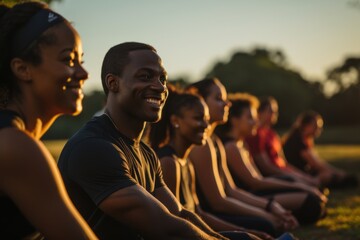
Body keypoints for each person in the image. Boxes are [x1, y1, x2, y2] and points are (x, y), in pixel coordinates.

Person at [58, 42, 227, 240]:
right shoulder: (93, 147)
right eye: (145, 76)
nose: (160, 87)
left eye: (162, 78)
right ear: (113, 83)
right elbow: (166, 228)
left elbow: (179, 214)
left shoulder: (145, 152)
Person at [0, 2, 97, 239]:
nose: (84, 74)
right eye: (68, 60)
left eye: (80, 60)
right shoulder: (15, 145)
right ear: (23, 69)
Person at [149, 84, 271, 240]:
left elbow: (198, 213)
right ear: (175, 121)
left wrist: (240, 231)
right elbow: (175, 223)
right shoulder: (168, 162)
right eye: (198, 119)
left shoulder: (186, 162)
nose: (206, 125)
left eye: (206, 119)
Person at [187, 78, 298, 237]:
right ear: (200, 102)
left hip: (224, 208)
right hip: (213, 216)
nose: (227, 104)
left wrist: (270, 207)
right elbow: (217, 202)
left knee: (272, 222)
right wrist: (266, 213)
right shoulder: (201, 145)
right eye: (219, 99)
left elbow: (231, 190)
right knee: (269, 224)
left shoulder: (215, 141)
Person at [215, 93, 327, 225]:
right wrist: (299, 186)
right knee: (312, 203)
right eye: (250, 117)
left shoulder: (241, 144)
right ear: (234, 120)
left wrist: (300, 184)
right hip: (251, 198)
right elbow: (255, 183)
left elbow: (261, 177)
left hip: (258, 194)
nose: (256, 122)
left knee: (313, 200)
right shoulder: (230, 147)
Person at [245, 97, 320, 187]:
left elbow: (283, 162)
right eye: (270, 111)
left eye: (275, 112)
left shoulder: (273, 135)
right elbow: (266, 167)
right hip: (274, 175)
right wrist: (292, 176)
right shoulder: (255, 134)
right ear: (259, 112)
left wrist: (302, 176)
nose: (274, 114)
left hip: (282, 171)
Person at [282, 110, 358, 189]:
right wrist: (339, 173)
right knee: (326, 176)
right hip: (298, 175)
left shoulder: (299, 138)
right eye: (316, 126)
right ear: (307, 125)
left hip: (301, 173)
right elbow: (316, 164)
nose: (319, 129)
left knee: (326, 174)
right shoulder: (298, 141)